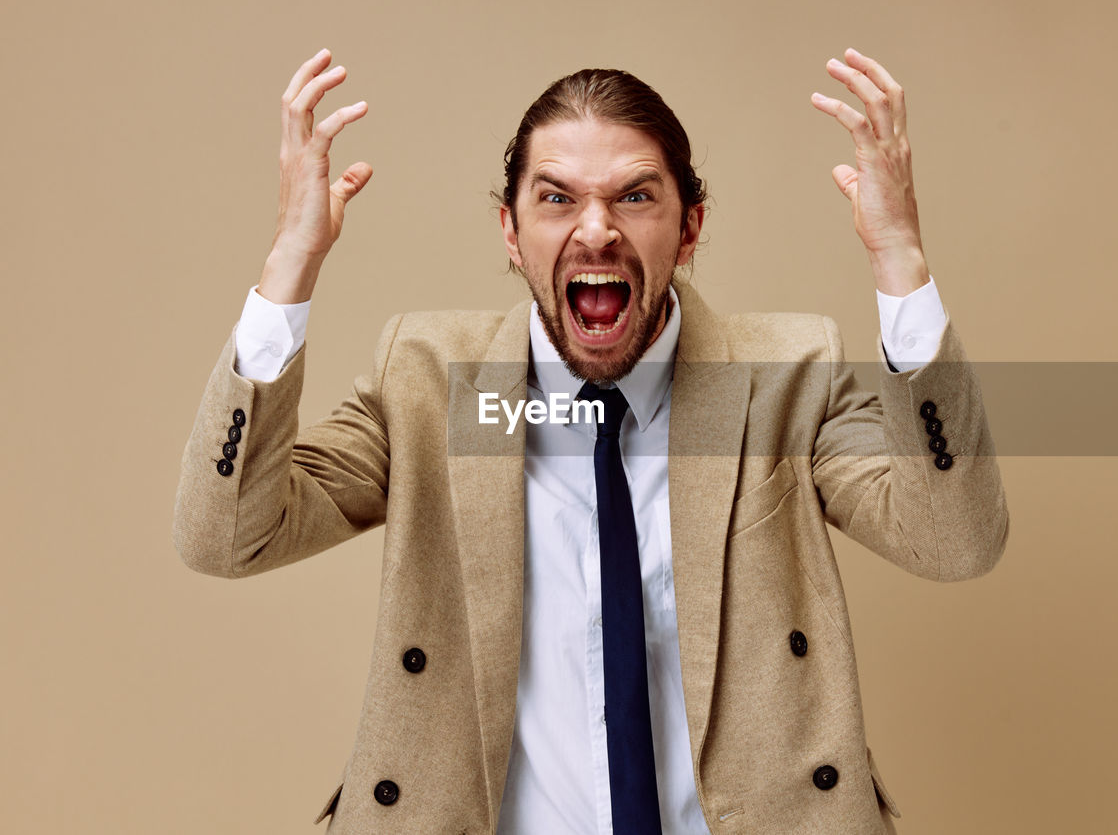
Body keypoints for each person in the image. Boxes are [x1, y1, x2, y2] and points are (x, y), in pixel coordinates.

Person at [173, 46, 1009, 835]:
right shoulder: (431, 384)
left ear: (689, 229)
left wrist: (900, 259)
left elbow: (953, 539)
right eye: (558, 197)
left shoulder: (787, 375)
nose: (598, 230)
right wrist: (290, 265)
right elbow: (226, 534)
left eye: (636, 196)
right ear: (511, 232)